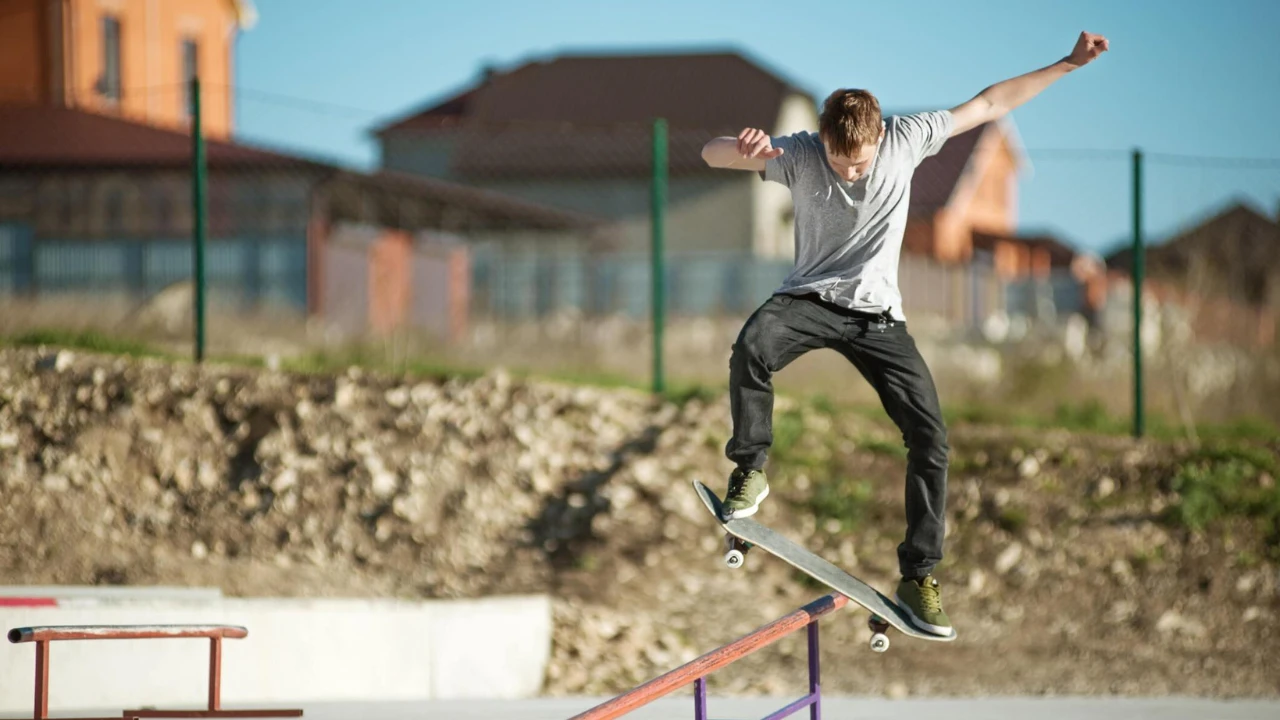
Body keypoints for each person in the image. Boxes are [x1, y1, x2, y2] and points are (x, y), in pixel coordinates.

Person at [700, 31, 1109, 636]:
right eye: (842, 162)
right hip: (809, 298)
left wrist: (1068, 65)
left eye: (861, 162)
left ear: (879, 137)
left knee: (931, 436)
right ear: (824, 143)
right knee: (752, 345)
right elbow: (711, 155)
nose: (852, 172)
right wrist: (740, 146)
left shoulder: (909, 138)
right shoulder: (802, 153)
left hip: (880, 320)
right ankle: (751, 468)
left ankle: (919, 576)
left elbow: (990, 104)